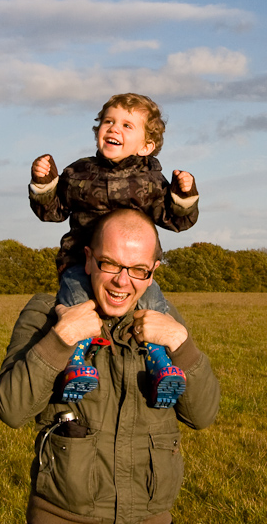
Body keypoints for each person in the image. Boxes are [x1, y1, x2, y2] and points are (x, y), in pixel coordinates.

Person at [0, 209, 220, 524]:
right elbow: (11, 408)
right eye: (110, 264)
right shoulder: (46, 314)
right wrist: (62, 338)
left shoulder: (162, 320)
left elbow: (202, 415)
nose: (122, 281)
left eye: (138, 270)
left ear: (153, 272)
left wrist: (181, 344)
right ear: (87, 258)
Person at [29, 92, 199, 407]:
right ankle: (76, 363)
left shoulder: (152, 181)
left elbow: (175, 221)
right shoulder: (78, 172)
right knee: (76, 300)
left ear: (147, 145)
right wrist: (45, 184)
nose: (113, 129)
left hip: (135, 270)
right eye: (108, 121)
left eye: (126, 125)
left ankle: (160, 364)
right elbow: (53, 211)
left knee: (153, 306)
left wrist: (183, 195)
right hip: (81, 261)